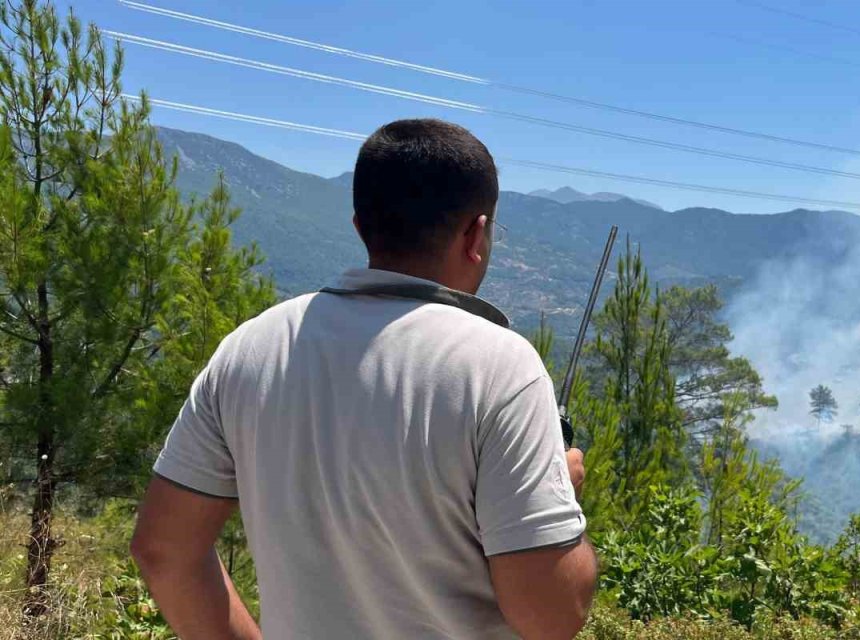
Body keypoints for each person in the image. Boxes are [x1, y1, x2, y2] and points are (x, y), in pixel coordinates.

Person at [129, 118, 597, 639]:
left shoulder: (250, 346)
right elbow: (551, 616)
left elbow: (163, 549)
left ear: (360, 224)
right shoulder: (501, 366)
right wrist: (561, 500)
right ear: (475, 234)